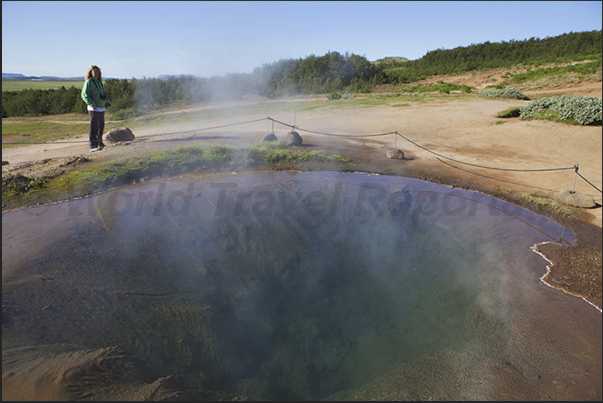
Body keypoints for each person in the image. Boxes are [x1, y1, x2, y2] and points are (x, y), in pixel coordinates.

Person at [81, 65, 108, 152]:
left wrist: (104, 101)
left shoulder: (99, 82)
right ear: (90, 72)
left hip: (101, 107)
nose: (96, 73)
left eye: (97, 72)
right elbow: (84, 95)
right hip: (94, 108)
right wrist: (92, 104)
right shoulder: (89, 82)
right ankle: (93, 145)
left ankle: (100, 142)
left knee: (101, 126)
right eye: (94, 71)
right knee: (94, 127)